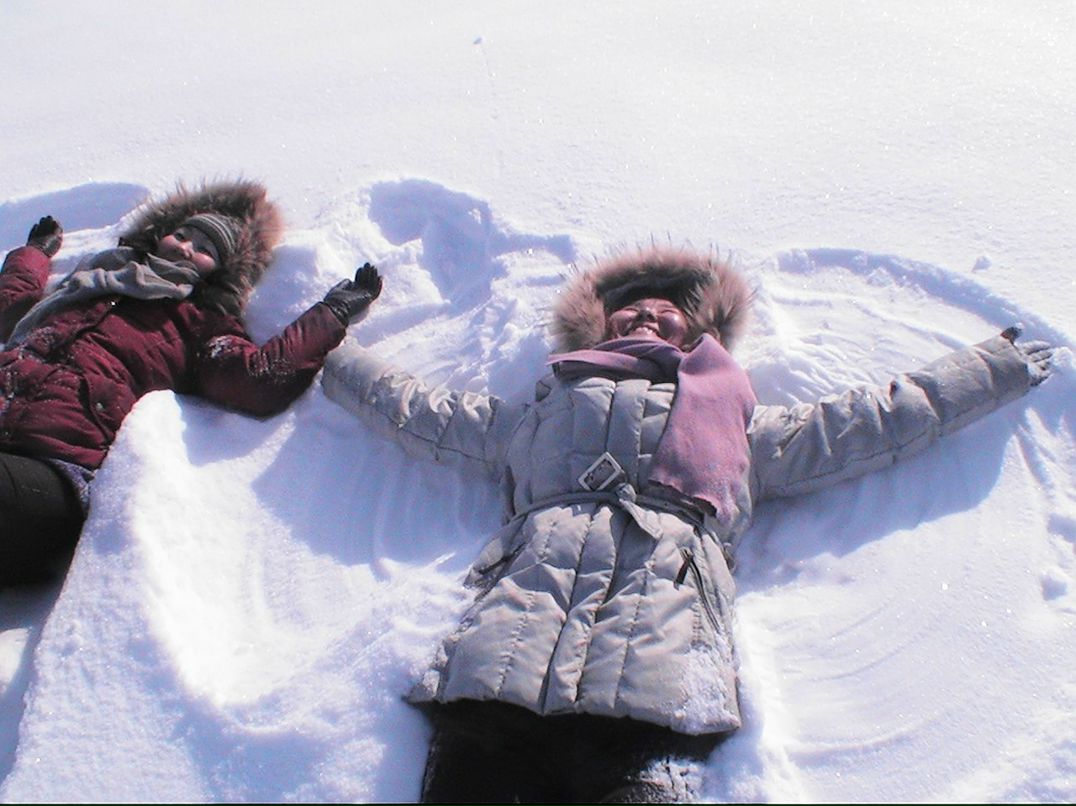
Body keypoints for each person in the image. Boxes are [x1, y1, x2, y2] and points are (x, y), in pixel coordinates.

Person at [320, 246, 1054, 803]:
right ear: (598, 322)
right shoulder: (544, 410)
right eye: (629, 309)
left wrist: (988, 370)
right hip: (497, 677)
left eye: (665, 309)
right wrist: (328, 344)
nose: (644, 314)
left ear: (701, 327)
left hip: (657, 686)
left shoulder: (738, 425)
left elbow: (862, 423)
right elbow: (420, 410)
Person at [0, 179, 382, 588]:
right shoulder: (91, 284)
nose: (185, 248)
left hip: (52, 479)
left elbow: (257, 379)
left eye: (204, 249)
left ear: (220, 269)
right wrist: (33, 254)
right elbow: (11, 309)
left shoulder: (198, 324)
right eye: (182, 235)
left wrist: (332, 312)